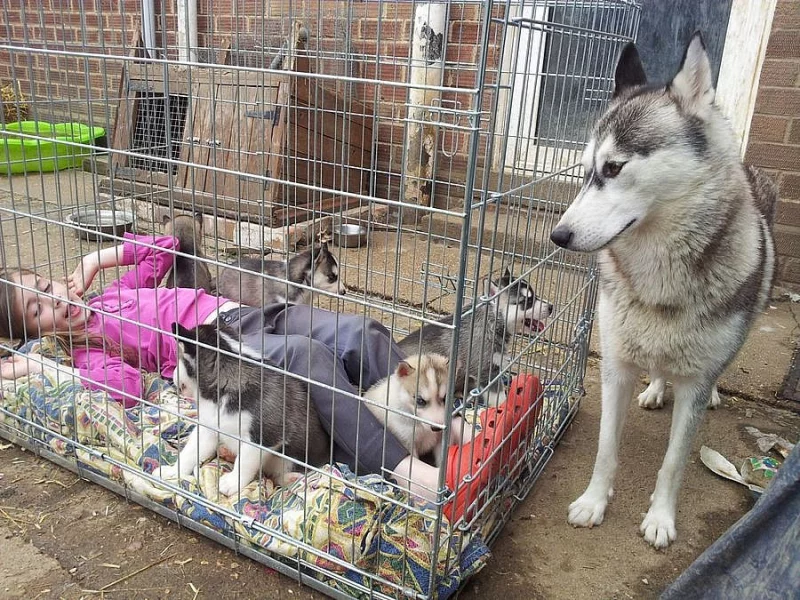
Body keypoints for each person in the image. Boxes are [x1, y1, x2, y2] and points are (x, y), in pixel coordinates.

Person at [0, 233, 443, 500]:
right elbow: (125, 385)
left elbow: (164, 250)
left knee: (361, 331)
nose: (56, 301)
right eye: (39, 310)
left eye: (46, 287)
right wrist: (44, 369)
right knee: (306, 355)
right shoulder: (90, 352)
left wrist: (95, 260)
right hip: (221, 349)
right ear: (34, 331)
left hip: (242, 312)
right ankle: (406, 470)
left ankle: (442, 424)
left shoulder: (114, 293)